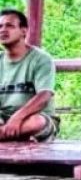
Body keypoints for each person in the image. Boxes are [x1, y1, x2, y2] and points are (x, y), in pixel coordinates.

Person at [0, 8, 59, 143]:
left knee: (37, 122)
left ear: (24, 30)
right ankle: (11, 135)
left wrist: (17, 117)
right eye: (0, 26)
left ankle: (5, 136)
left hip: (32, 119)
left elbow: (44, 95)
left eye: (9, 25)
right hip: (4, 119)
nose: (3, 30)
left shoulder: (41, 59)